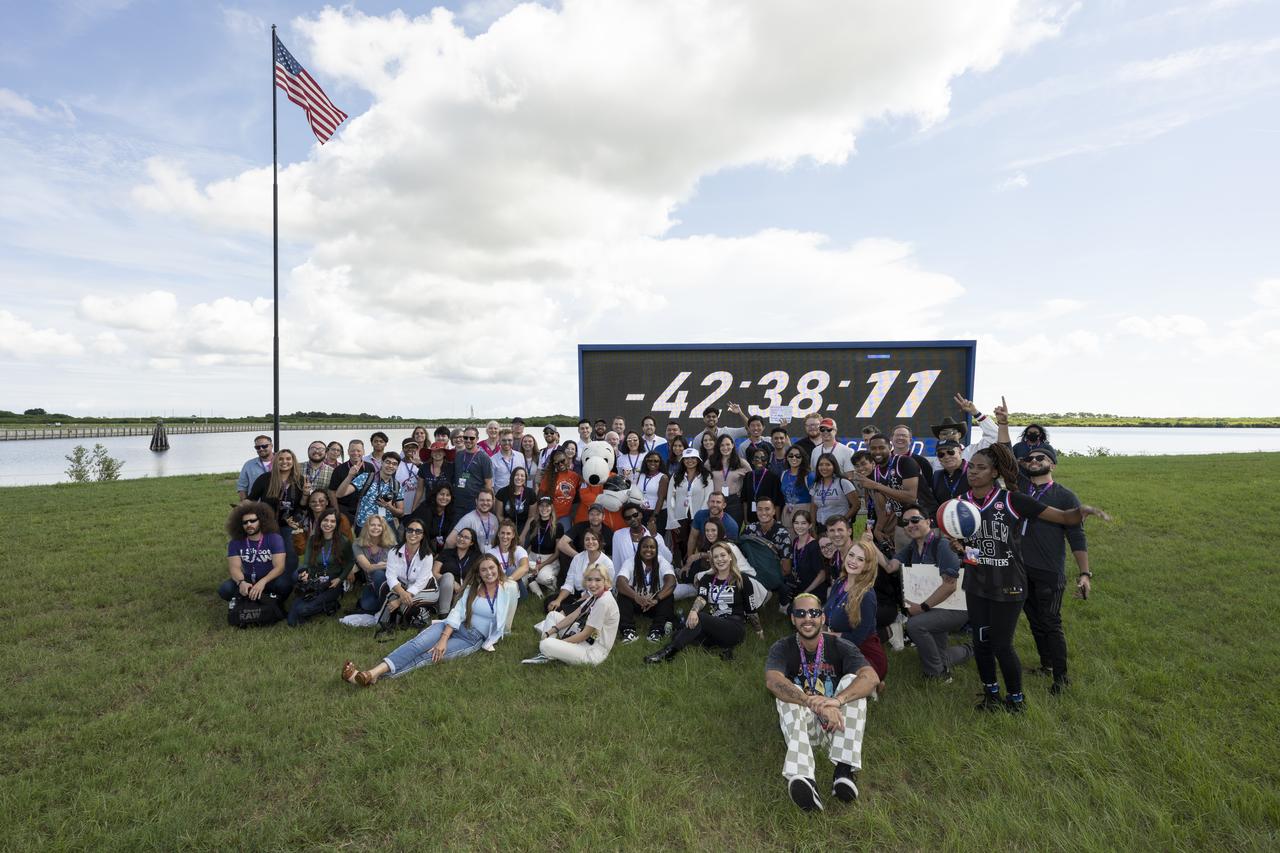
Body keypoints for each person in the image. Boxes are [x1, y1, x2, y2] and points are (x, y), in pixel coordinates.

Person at [958, 444, 1110, 712]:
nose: (974, 472)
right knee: (981, 643)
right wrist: (954, 543)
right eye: (971, 466)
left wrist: (1081, 511)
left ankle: (1016, 700)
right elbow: (956, 535)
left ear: (995, 472)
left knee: (1001, 645)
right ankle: (991, 694)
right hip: (977, 582)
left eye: (981, 467)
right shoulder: (961, 502)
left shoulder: (1012, 500)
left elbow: (1062, 516)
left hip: (1008, 584)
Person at [764, 594, 878, 811]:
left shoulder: (840, 645)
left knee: (853, 682)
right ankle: (804, 777)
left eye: (814, 613)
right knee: (788, 691)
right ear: (793, 619)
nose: (808, 618)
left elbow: (871, 677)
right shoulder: (782, 647)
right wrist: (810, 701)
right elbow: (772, 681)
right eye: (800, 613)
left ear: (823, 617)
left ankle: (844, 773)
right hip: (804, 727)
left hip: (838, 727)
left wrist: (836, 701)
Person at [342, 554, 517, 686]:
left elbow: (507, 617)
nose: (489, 573)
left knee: (428, 656)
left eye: (492, 568)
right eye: (484, 569)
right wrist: (443, 638)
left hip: (472, 638)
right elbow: (457, 613)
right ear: (478, 573)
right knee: (417, 644)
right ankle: (373, 673)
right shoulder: (473, 589)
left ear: (498, 568)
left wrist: (499, 635)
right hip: (452, 626)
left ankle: (370, 677)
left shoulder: (508, 588)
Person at [1016, 445, 1091, 694]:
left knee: (1050, 622)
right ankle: (1046, 665)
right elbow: (1004, 450)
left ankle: (1061, 678)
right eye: (1030, 458)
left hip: (1049, 570)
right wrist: (1002, 424)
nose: (1034, 461)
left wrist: (1084, 574)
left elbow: (1076, 536)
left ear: (1053, 465)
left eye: (1041, 457)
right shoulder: (1020, 490)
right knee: (1035, 621)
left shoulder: (1065, 496)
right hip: (1021, 568)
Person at [880, 506, 971, 682]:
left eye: (915, 520)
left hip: (953, 607)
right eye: (905, 522)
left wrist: (922, 608)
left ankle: (937, 675)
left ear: (928, 521)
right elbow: (890, 566)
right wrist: (870, 545)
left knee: (915, 625)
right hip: (935, 607)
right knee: (939, 656)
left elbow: (950, 586)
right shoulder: (912, 547)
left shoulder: (942, 545)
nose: (910, 525)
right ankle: (971, 649)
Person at [646, 542, 754, 663]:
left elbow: (751, 609)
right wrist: (693, 611)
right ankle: (720, 648)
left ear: (730, 556)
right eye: (716, 557)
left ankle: (668, 653)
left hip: (734, 628)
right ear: (712, 560)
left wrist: (759, 631)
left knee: (700, 618)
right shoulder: (707, 578)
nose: (720, 559)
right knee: (681, 632)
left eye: (723, 555)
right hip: (714, 626)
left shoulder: (742, 579)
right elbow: (701, 598)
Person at [524, 562, 620, 666]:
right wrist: (549, 632)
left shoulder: (603, 602)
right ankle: (547, 654)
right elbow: (573, 615)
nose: (593, 584)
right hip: (586, 640)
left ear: (606, 581)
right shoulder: (595, 596)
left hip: (592, 652)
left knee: (545, 644)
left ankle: (548, 650)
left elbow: (585, 635)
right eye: (589, 579)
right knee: (553, 615)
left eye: (598, 580)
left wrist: (561, 643)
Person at [824, 538, 888, 682]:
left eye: (860, 559)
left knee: (837, 681)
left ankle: (874, 684)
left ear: (867, 565)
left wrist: (828, 635)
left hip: (863, 655)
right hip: (837, 646)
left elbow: (857, 639)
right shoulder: (840, 582)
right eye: (851, 555)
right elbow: (827, 615)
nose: (853, 561)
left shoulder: (867, 595)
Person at [374, 520, 440, 640]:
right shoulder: (394, 551)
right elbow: (390, 576)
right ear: (405, 532)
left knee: (403, 605)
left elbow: (420, 583)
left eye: (418, 531)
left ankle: (423, 616)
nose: (413, 534)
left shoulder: (427, 555)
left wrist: (399, 601)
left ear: (423, 535)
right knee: (391, 596)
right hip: (405, 588)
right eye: (410, 530)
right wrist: (402, 593)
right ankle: (385, 625)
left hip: (427, 589)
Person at [218, 502, 293, 606]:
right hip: (247, 579)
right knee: (225, 589)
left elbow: (279, 567)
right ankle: (252, 598)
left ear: (261, 521)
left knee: (284, 585)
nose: (249, 524)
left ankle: (269, 601)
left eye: (253, 521)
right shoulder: (235, 542)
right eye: (245, 522)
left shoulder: (274, 538)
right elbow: (234, 568)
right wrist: (241, 582)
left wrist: (263, 582)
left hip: (269, 579)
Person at [288, 509, 353, 627]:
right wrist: (305, 573)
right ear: (320, 521)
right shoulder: (313, 539)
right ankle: (311, 601)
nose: (328, 524)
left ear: (337, 524)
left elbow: (350, 562)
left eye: (332, 521)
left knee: (303, 610)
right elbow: (306, 562)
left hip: (332, 582)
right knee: (292, 621)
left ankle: (330, 604)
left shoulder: (344, 541)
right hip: (315, 579)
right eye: (326, 520)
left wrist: (340, 579)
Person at [248, 449, 306, 573]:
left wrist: (306, 495)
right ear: (275, 461)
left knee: (291, 554)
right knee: (268, 553)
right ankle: (267, 578)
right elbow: (251, 499)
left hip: (290, 525)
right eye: (281, 459)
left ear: (293, 461)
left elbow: (302, 505)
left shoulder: (300, 480)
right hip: (268, 524)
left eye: (288, 459)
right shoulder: (264, 479)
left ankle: (288, 580)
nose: (284, 462)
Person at [859, 434, 921, 551]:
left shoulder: (904, 462)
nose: (877, 451)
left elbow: (911, 497)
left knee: (920, 566)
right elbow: (883, 507)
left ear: (890, 447)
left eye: (881, 447)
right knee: (899, 565)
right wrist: (878, 529)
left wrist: (877, 486)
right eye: (873, 448)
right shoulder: (875, 473)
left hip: (919, 522)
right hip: (899, 526)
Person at [614, 535, 677, 643]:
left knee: (668, 596)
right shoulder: (631, 562)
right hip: (637, 602)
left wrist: (657, 599)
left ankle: (656, 631)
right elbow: (620, 582)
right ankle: (628, 631)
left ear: (656, 550)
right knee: (623, 594)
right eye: (645, 547)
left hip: (654, 603)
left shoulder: (661, 561)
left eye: (652, 547)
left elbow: (671, 581)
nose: (648, 550)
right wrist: (636, 597)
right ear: (639, 549)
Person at [545, 529, 614, 615]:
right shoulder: (578, 558)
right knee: (550, 601)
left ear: (599, 542)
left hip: (595, 597)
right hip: (577, 595)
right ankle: (568, 611)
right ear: (584, 543)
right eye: (587, 539)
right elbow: (569, 583)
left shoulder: (607, 563)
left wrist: (576, 604)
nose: (590, 542)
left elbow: (606, 588)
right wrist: (558, 600)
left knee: (580, 608)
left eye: (594, 539)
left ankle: (570, 613)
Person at [338, 452, 405, 533]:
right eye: (388, 462)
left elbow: (401, 512)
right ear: (381, 463)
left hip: (385, 528)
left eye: (394, 464)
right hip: (365, 526)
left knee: (394, 545)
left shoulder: (396, 485)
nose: (390, 466)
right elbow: (340, 494)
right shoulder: (366, 477)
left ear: (397, 467)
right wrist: (350, 476)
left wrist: (389, 507)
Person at [665, 447, 712, 562]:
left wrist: (701, 517)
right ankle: (684, 569)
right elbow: (670, 498)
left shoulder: (706, 476)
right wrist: (672, 520)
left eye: (693, 458)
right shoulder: (676, 476)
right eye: (686, 458)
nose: (690, 460)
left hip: (699, 517)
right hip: (680, 518)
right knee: (682, 546)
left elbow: (708, 497)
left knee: (699, 544)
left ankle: (696, 570)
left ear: (698, 460)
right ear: (682, 461)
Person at [930, 393, 999, 463]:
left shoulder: (973, 451)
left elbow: (995, 435)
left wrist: (975, 413)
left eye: (952, 432)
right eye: (944, 433)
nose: (948, 435)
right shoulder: (937, 462)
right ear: (939, 436)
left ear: (959, 435)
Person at [740, 495, 792, 584]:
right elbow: (741, 557)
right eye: (760, 509)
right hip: (752, 579)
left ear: (774, 511)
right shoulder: (749, 530)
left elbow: (786, 570)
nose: (763, 513)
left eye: (767, 509)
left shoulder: (783, 534)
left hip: (774, 580)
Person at [353, 514, 396, 614]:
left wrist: (380, 566)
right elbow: (367, 567)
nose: (376, 528)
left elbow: (397, 566)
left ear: (383, 528)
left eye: (379, 525)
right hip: (371, 584)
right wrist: (384, 564)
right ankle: (386, 604)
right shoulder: (357, 544)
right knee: (367, 605)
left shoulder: (391, 544)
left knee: (378, 574)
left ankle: (387, 602)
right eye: (372, 525)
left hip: (389, 583)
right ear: (367, 527)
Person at [523, 497, 563, 599]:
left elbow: (557, 553)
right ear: (538, 508)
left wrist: (540, 566)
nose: (544, 508)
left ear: (552, 508)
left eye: (547, 506)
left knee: (543, 577)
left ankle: (553, 585)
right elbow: (531, 545)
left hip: (550, 560)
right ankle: (533, 582)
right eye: (541, 505)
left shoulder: (558, 526)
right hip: (533, 557)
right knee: (522, 579)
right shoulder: (534, 523)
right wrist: (525, 559)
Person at [611, 503, 673, 569]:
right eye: (628, 518)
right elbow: (616, 563)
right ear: (625, 521)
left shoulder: (653, 535)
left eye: (635, 515)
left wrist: (654, 536)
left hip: (651, 576)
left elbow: (668, 559)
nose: (632, 519)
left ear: (641, 515)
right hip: (629, 576)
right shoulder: (618, 535)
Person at [431, 525, 477, 615]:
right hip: (444, 588)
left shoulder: (475, 557)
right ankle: (443, 614)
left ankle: (454, 613)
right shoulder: (446, 553)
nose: (461, 539)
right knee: (448, 576)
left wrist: (462, 587)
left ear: (471, 543)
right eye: (460, 536)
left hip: (464, 591)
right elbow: (434, 572)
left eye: (466, 537)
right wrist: (452, 582)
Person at [786, 510, 828, 606]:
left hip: (813, 589)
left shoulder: (813, 546)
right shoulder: (795, 541)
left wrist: (805, 592)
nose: (799, 526)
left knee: (795, 611)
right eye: (796, 523)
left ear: (809, 525)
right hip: (800, 585)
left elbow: (822, 576)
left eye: (803, 523)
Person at [293, 488, 353, 555]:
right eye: (313, 501)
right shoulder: (305, 522)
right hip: (314, 560)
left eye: (321, 501)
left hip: (335, 558)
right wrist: (297, 530)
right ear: (309, 504)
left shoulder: (340, 518)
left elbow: (347, 544)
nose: (317, 503)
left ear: (327, 502)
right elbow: (300, 550)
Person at [807, 453, 858, 529]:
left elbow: (856, 505)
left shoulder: (843, 482)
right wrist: (813, 527)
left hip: (840, 527)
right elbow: (813, 507)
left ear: (834, 466)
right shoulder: (816, 484)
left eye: (828, 464)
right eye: (821, 465)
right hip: (821, 527)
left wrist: (843, 521)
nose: (824, 467)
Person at [452, 427, 495, 516]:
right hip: (458, 502)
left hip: (474, 503)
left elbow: (488, 484)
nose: (468, 440)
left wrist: (485, 504)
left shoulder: (484, 458)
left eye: (471, 438)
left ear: (477, 439)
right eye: (465, 437)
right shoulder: (459, 455)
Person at [329, 439, 373, 527]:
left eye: (359, 451)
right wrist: (336, 511)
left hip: (364, 509)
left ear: (363, 452)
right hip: (345, 509)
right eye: (352, 451)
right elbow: (332, 491)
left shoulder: (370, 467)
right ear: (348, 452)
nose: (355, 453)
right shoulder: (339, 469)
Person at [740, 448, 785, 525]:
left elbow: (777, 502)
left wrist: (778, 521)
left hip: (768, 518)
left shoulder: (773, 478)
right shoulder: (748, 476)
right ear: (752, 461)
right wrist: (745, 518)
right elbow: (745, 500)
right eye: (756, 458)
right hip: (751, 518)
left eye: (763, 458)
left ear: (766, 461)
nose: (759, 460)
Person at [539, 449, 581, 525]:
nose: (560, 464)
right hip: (549, 515)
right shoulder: (549, 477)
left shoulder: (575, 476)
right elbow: (540, 496)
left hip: (565, 516)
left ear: (567, 459)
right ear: (553, 464)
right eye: (557, 463)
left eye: (562, 461)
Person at [414, 441, 455, 512]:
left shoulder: (451, 467)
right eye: (434, 451)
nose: (437, 453)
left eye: (440, 451)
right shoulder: (424, 467)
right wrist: (414, 508)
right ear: (431, 454)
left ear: (444, 453)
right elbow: (419, 490)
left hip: (446, 507)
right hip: (429, 506)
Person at [779, 444, 813, 528]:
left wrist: (812, 520)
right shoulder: (783, 474)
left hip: (804, 514)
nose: (794, 458)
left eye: (798, 456)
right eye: (791, 456)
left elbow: (814, 501)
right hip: (787, 514)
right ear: (786, 457)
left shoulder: (809, 476)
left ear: (802, 458)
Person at [496, 466, 536, 531]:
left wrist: (523, 535)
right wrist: (507, 528)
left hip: (524, 528)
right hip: (506, 527)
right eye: (516, 475)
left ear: (525, 479)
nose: (519, 478)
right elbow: (499, 515)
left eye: (522, 476)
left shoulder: (531, 493)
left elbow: (531, 517)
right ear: (512, 477)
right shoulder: (502, 492)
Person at [634, 451, 668, 524]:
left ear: (660, 463)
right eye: (649, 460)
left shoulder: (663, 477)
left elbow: (661, 498)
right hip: (642, 512)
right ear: (646, 462)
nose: (652, 463)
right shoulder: (641, 475)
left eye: (656, 461)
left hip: (657, 513)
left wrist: (654, 516)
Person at [236, 435, 273, 501]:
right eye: (257, 447)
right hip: (256, 506)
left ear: (271, 446)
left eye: (264, 446)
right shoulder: (249, 465)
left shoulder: (282, 462)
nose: (261, 449)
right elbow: (242, 487)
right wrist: (246, 504)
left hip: (278, 506)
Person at [396, 438, 423, 516]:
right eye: (407, 447)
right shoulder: (397, 464)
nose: (410, 449)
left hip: (417, 508)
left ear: (417, 449)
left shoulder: (423, 465)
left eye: (413, 447)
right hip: (401, 510)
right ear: (403, 449)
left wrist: (419, 465)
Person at [491, 429, 522, 493]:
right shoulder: (492, 460)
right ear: (499, 441)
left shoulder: (520, 456)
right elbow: (491, 484)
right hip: (500, 497)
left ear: (513, 441)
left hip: (518, 494)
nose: (507, 443)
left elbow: (523, 477)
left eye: (509, 440)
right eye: (504, 440)